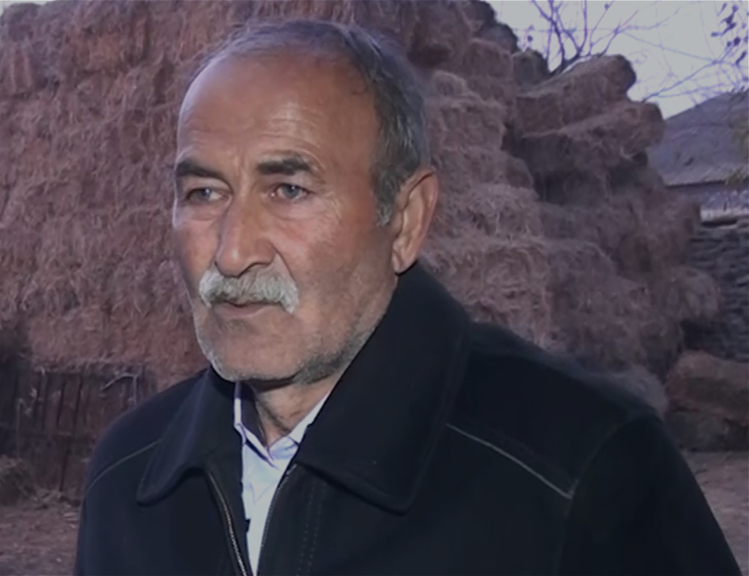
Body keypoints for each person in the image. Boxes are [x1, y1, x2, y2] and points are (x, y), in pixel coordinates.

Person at [74, 19, 741, 576]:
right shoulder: (128, 479)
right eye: (204, 193)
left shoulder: (582, 470)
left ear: (406, 220)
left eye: (289, 190)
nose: (231, 250)